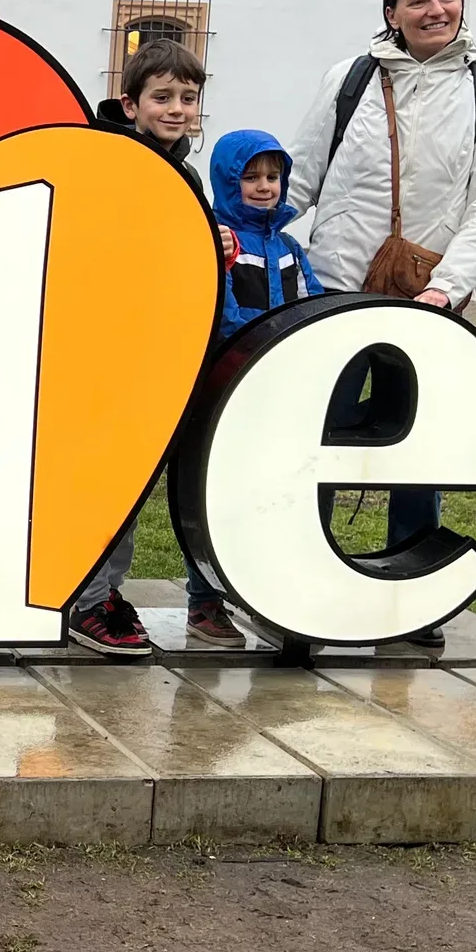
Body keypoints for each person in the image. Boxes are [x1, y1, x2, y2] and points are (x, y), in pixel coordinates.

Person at [283, 0, 476, 650]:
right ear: (392, 13)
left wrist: (451, 283)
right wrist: (246, 230)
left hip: (428, 298)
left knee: (418, 445)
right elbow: (302, 174)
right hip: (337, 288)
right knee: (323, 435)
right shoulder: (352, 79)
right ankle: (303, 577)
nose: (436, 10)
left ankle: (409, 591)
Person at [64, 38, 227, 655]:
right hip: (107, 347)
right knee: (105, 481)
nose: (177, 109)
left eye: (188, 97)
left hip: (156, 349)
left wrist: (211, 247)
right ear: (130, 104)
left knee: (129, 483)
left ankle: (101, 592)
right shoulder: (115, 163)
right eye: (163, 97)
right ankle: (87, 600)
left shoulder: (183, 171)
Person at [181, 129, 327, 646]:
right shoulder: (221, 241)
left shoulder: (288, 247)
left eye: (273, 176)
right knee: (218, 496)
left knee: (272, 493)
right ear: (227, 180)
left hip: (278, 390)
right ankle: (204, 602)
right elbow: (219, 311)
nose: (265, 187)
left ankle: (265, 598)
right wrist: (267, 339)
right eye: (250, 177)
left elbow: (312, 302)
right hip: (228, 386)